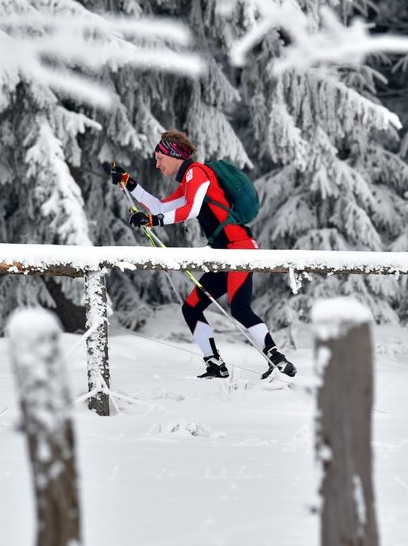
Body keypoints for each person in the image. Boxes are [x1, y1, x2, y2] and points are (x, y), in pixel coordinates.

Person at [108, 129, 296, 380]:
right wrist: (129, 183)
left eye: (159, 158)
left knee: (240, 309)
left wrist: (153, 221)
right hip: (222, 253)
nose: (157, 164)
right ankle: (214, 364)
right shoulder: (188, 181)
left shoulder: (197, 173)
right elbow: (161, 207)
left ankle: (278, 360)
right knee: (191, 308)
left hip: (239, 249)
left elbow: (190, 210)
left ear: (174, 155)